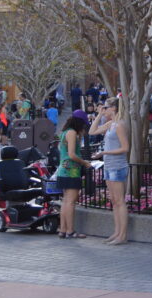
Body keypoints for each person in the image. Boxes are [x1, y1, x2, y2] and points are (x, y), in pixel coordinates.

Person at [90, 99, 129, 245]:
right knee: (114, 200)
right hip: (108, 165)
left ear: (113, 108)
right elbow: (92, 131)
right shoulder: (110, 124)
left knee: (119, 201)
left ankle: (122, 235)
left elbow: (125, 148)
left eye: (105, 107)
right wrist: (99, 115)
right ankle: (117, 232)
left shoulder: (119, 125)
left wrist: (104, 152)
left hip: (117, 166)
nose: (103, 109)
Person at [55, 113, 92, 239]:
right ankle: (70, 231)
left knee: (66, 201)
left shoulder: (65, 132)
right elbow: (72, 154)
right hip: (71, 171)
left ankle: (63, 230)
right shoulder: (72, 133)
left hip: (63, 170)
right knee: (70, 202)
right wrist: (84, 162)